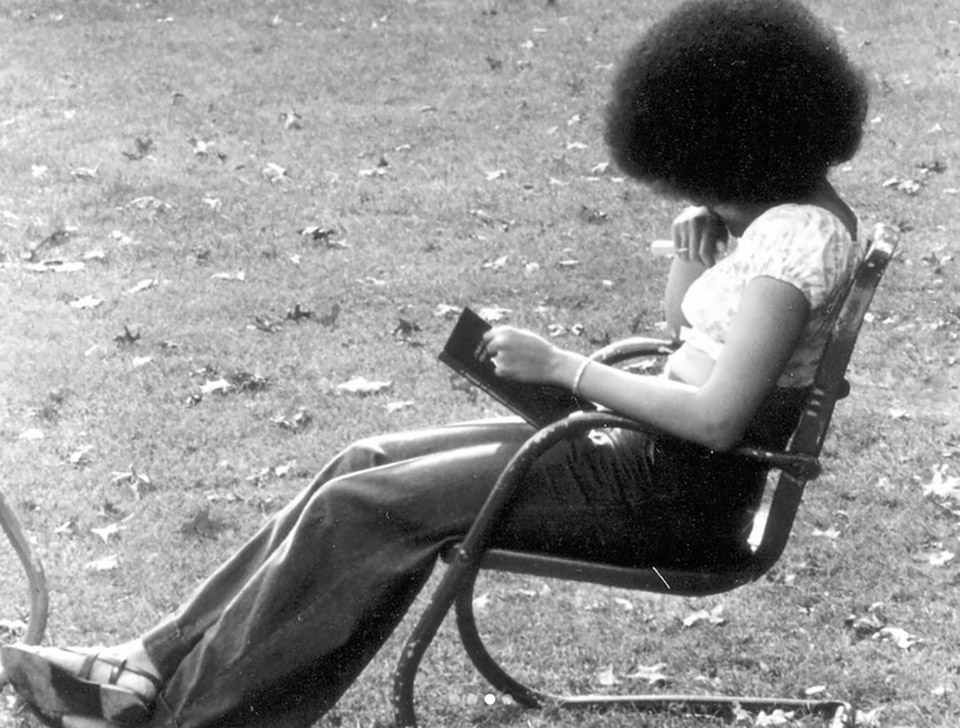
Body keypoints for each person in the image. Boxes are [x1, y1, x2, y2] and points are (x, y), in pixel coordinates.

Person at [1, 0, 869, 726]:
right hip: (644, 461)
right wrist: (695, 250)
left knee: (363, 510)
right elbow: (695, 335)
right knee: (363, 462)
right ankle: (147, 662)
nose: (690, 191)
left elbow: (717, 415)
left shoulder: (796, 241)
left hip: (674, 491)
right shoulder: (788, 218)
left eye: (695, 174)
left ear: (736, 141)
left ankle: (181, 716)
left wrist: (563, 367)